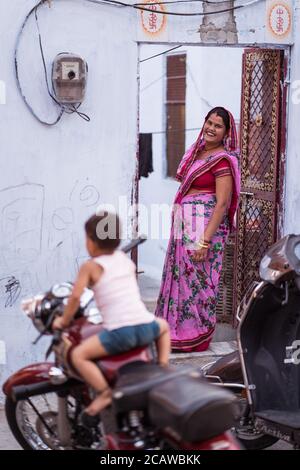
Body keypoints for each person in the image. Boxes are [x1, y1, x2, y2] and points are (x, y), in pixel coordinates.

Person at [53, 212, 170, 422]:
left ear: (92, 241)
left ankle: (105, 392)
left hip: (121, 334)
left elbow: (75, 298)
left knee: (79, 355)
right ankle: (162, 366)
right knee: (164, 326)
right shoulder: (124, 260)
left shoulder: (91, 266)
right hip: (146, 327)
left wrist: (63, 321)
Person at [155, 107, 240, 352]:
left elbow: (222, 203)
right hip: (185, 226)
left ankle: (195, 337)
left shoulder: (223, 159)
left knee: (198, 284)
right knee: (180, 279)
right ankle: (174, 335)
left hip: (203, 231)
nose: (211, 129)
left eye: (218, 126)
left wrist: (204, 241)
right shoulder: (199, 153)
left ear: (226, 132)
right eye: (209, 123)